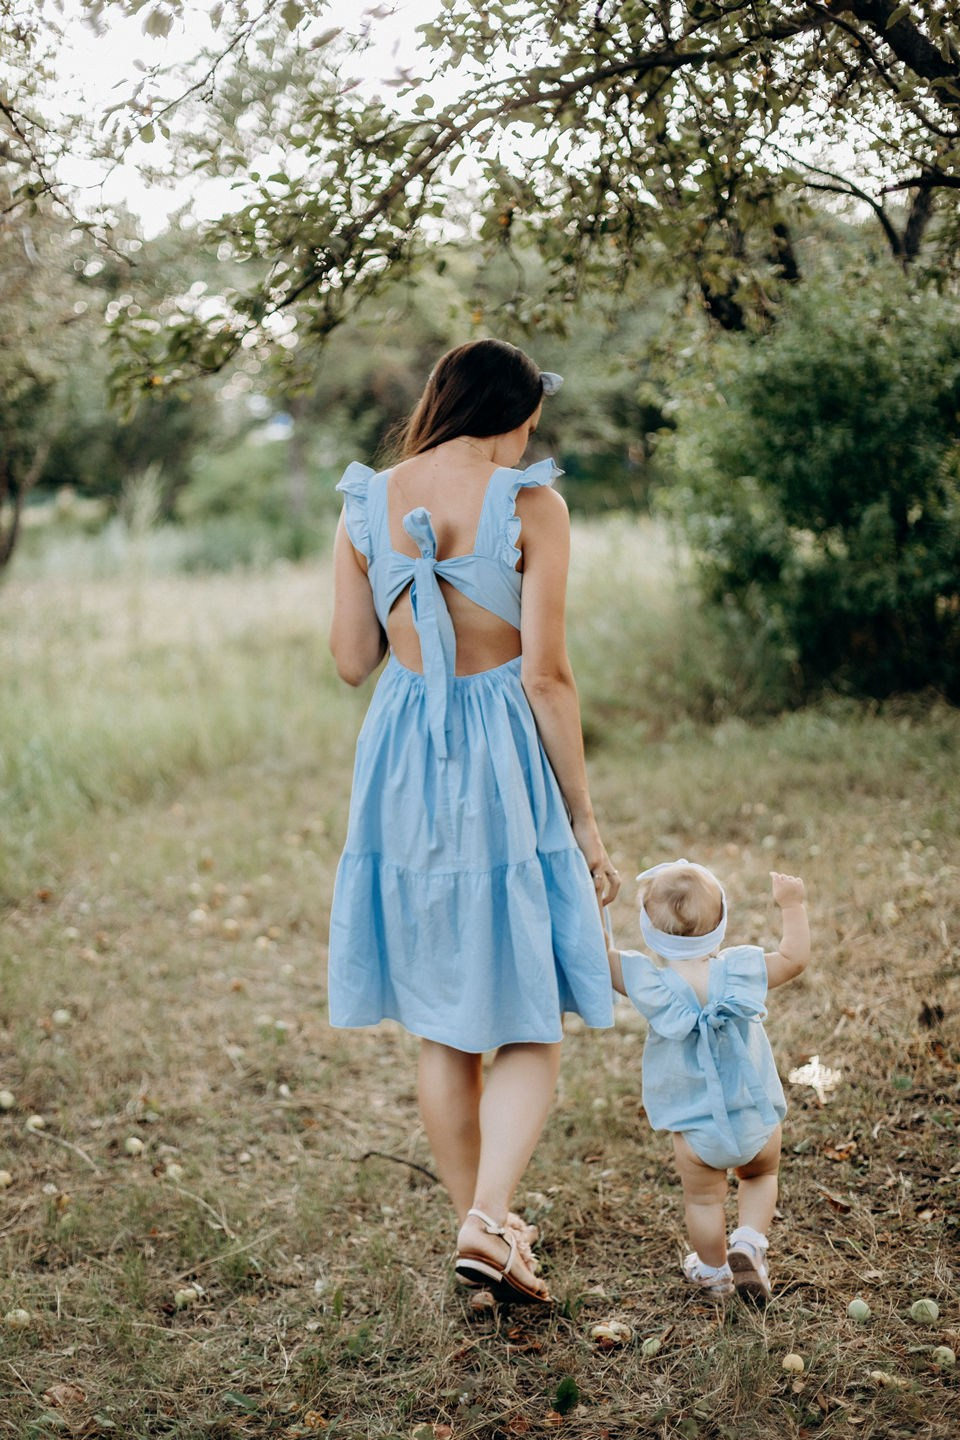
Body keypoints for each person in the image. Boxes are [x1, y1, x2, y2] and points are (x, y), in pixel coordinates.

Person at [327, 339, 620, 1304]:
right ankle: (489, 1222)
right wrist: (585, 821)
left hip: (405, 757)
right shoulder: (532, 505)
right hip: (499, 759)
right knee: (532, 1012)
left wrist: (405, 589)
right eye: (533, 415)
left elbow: (350, 660)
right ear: (515, 410)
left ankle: (481, 1235)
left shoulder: (365, 501)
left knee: (443, 1021)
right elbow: (545, 674)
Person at [606, 861, 809, 1300]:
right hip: (755, 1117)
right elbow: (794, 959)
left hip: (698, 1131)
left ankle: (715, 1272)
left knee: (703, 1201)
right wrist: (792, 905)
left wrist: (597, 904)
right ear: (721, 924)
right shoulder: (740, 970)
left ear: (648, 930)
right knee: (759, 1177)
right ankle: (749, 1243)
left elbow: (598, 959)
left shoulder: (650, 984)